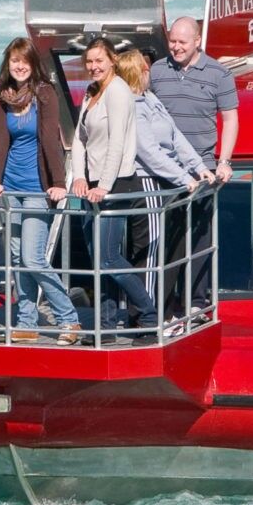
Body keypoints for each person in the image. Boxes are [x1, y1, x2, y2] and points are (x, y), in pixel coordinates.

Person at [0, 38, 82, 347]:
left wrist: (59, 183)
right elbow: (1, 140)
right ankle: (27, 322)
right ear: (8, 63)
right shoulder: (3, 96)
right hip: (11, 186)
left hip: (37, 187)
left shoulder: (44, 93)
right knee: (17, 257)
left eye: (25, 60)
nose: (20, 66)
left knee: (33, 257)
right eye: (15, 60)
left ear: (33, 64)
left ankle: (68, 318)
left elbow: (51, 140)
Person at [147, 16, 239, 311]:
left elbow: (230, 119)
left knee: (199, 237)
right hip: (164, 169)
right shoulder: (157, 71)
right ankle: (163, 306)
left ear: (197, 41)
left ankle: (195, 304)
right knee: (166, 237)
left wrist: (224, 161)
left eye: (182, 42)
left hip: (202, 168)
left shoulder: (219, 74)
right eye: (172, 41)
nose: (176, 47)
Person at [67, 38, 156, 342]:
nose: (93, 66)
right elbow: (79, 139)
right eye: (89, 61)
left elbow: (117, 142)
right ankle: (104, 326)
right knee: (98, 260)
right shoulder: (91, 92)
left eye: (99, 60)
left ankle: (148, 314)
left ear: (112, 60)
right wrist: (79, 177)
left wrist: (104, 185)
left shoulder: (118, 91)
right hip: (91, 186)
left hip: (116, 184)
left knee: (107, 257)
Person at [115, 49, 214, 322]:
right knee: (151, 249)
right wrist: (184, 178)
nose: (150, 71)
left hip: (171, 182)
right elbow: (148, 152)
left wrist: (199, 167)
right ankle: (147, 315)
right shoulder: (132, 107)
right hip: (149, 182)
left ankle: (165, 311)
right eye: (145, 67)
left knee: (173, 249)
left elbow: (176, 137)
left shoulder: (150, 99)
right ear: (137, 72)